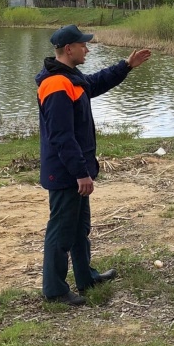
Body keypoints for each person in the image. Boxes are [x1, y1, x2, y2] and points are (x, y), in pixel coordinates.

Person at [36, 24, 151, 306]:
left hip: (75, 171)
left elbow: (95, 83)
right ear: (68, 49)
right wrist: (80, 173)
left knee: (78, 228)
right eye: (83, 45)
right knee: (61, 230)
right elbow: (62, 136)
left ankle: (86, 276)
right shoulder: (55, 83)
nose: (87, 49)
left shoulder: (70, 77)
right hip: (66, 173)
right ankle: (54, 290)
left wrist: (126, 66)